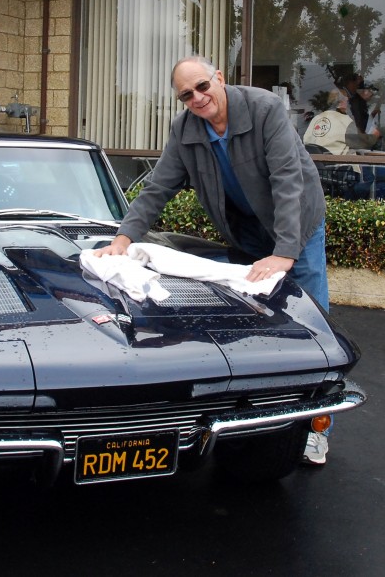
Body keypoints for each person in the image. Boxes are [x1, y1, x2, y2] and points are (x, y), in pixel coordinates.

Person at [92, 55, 332, 465]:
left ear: (219, 77)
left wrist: (285, 253)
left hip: (297, 230)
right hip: (247, 232)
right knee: (258, 320)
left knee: (308, 324)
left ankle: (315, 429)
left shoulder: (264, 108)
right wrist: (123, 239)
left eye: (202, 86)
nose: (197, 98)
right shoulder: (184, 129)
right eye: (186, 95)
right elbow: (158, 187)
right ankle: (257, 418)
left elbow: (287, 180)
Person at [303, 89, 354, 154]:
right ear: (340, 103)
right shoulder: (346, 120)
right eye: (346, 100)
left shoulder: (316, 119)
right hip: (339, 159)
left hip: (315, 159)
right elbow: (359, 144)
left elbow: (307, 142)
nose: (347, 103)